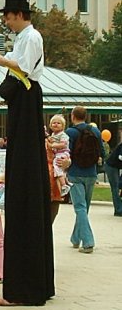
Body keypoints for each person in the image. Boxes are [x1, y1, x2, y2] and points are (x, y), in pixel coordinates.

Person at [0, 0, 54, 306]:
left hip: (28, 96)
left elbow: (25, 69)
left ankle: (22, 289)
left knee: (25, 172)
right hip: (27, 97)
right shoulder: (23, 37)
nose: (6, 21)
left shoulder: (31, 36)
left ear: (18, 15)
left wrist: (3, 61)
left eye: (8, 17)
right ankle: (31, 285)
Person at [65, 106, 104, 253]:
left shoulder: (70, 132)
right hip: (91, 173)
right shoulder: (95, 131)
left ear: (73, 116)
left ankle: (88, 242)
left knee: (80, 208)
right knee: (84, 208)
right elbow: (102, 151)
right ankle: (76, 238)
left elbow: (66, 153)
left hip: (75, 172)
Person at [47, 115, 71, 197]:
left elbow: (63, 144)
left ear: (63, 126)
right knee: (59, 169)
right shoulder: (53, 135)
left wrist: (52, 145)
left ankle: (64, 185)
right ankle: (65, 183)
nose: (56, 124)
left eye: (58, 123)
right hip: (58, 154)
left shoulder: (63, 135)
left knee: (58, 167)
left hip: (62, 153)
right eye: (54, 123)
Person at [104, 140, 122, 217]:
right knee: (115, 187)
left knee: (118, 186)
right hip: (111, 166)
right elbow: (120, 157)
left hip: (115, 166)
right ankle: (118, 210)